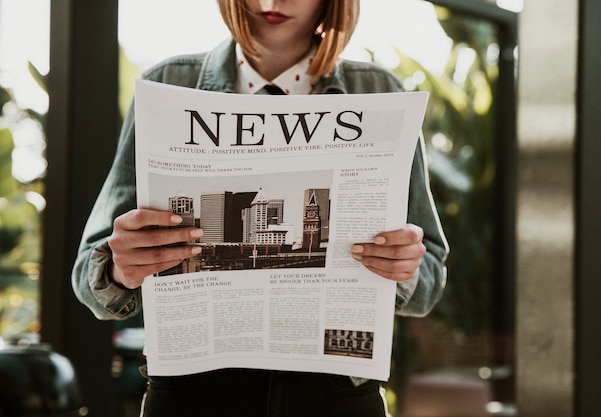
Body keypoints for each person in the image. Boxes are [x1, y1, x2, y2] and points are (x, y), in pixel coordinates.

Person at [72, 0, 448, 416]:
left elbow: (429, 279)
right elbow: (89, 281)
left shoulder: (379, 92)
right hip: (194, 396)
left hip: (337, 397)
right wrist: (120, 268)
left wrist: (405, 264)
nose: (272, 2)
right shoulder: (169, 84)